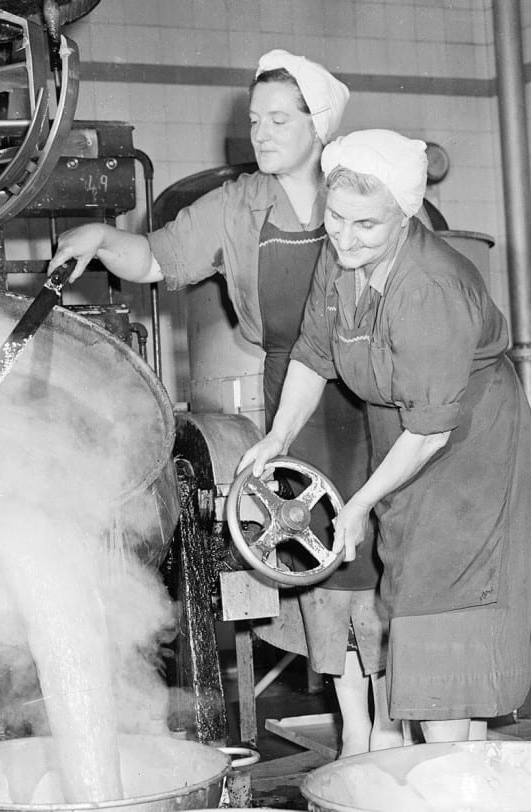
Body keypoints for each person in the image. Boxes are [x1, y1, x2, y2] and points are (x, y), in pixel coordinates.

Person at [49, 50, 401, 756]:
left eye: (278, 119)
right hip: (294, 399)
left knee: (387, 549)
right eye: (254, 119)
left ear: (318, 125)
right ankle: (358, 723)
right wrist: (101, 237)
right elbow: (158, 258)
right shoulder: (242, 205)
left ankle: (395, 719)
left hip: (374, 392)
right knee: (319, 551)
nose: (261, 132)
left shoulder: (359, 188)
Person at [239, 128, 531, 743]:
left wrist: (361, 503)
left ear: (406, 217)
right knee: (408, 584)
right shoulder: (342, 256)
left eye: (365, 225)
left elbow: (429, 431)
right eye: (336, 216)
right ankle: (460, 767)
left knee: (444, 605)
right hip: (401, 431)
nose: (344, 235)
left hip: (468, 446)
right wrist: (279, 435)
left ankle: (448, 769)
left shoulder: (430, 287)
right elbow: (314, 352)